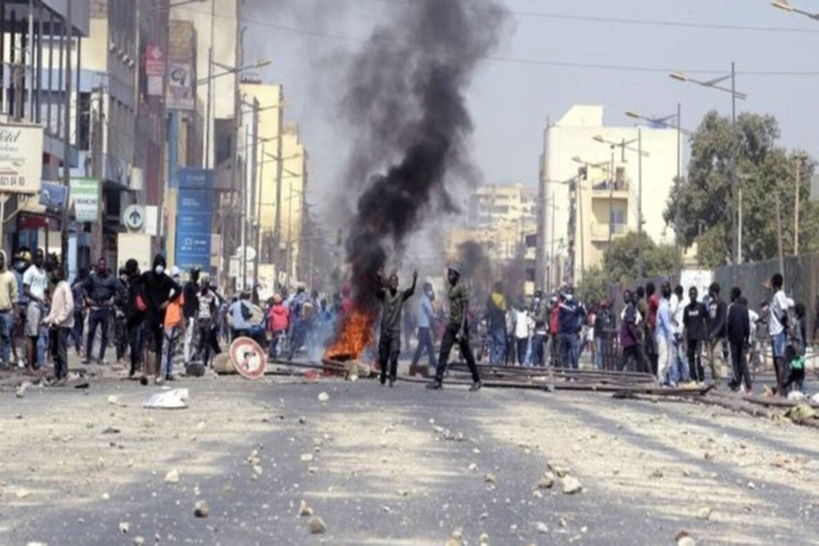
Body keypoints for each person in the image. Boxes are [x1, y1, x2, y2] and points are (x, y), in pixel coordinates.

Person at [427, 265, 482, 391]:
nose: (449, 276)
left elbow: (464, 309)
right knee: (443, 351)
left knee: (467, 354)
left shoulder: (462, 288)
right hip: (452, 324)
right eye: (449, 273)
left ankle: (477, 380)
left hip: (460, 325)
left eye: (452, 274)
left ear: (457, 275)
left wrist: (462, 329)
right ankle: (438, 380)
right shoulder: (451, 288)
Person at [135, 254, 181, 385]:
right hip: (149, 312)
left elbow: (178, 290)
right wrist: (140, 297)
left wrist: (169, 301)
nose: (159, 267)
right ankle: (144, 372)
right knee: (146, 342)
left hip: (161, 313)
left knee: (159, 343)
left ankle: (157, 374)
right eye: (158, 264)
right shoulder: (148, 276)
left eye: (162, 264)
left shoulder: (166, 280)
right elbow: (136, 284)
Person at [375, 270, 417, 387]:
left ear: (397, 283)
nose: (393, 283)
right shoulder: (385, 294)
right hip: (385, 330)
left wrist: (414, 279)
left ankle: (392, 376)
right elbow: (377, 291)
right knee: (383, 357)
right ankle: (383, 372)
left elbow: (411, 291)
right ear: (389, 283)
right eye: (392, 281)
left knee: (394, 354)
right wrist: (378, 279)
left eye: (395, 281)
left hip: (395, 331)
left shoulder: (401, 295)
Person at [42, 263, 73, 385]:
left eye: (54, 273)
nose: (52, 275)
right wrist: (46, 320)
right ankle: (57, 375)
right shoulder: (58, 288)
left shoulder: (65, 287)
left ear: (60, 274)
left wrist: (59, 320)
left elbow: (69, 307)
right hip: (55, 324)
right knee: (54, 351)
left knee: (61, 351)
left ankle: (63, 375)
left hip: (62, 325)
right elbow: (54, 310)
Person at [83, 257, 118, 365]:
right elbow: (84, 287)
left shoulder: (111, 279)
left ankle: (101, 357)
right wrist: (86, 298)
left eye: (103, 265)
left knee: (104, 334)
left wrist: (113, 300)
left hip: (105, 308)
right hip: (94, 307)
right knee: (91, 333)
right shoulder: (92, 277)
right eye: (100, 265)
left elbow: (119, 290)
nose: (102, 266)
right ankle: (88, 356)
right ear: (97, 266)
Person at [23, 249, 48, 375]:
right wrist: (37, 298)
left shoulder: (43, 272)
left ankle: (36, 363)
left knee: (37, 336)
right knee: (30, 336)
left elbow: (44, 289)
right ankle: (30, 366)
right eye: (37, 257)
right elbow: (26, 290)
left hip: (41, 307)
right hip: (33, 305)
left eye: (41, 257)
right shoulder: (30, 271)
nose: (40, 259)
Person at [160, 267, 185, 382]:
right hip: (170, 322)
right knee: (168, 350)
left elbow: (180, 308)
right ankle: (165, 372)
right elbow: (179, 308)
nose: (177, 278)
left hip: (172, 322)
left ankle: (167, 373)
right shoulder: (173, 290)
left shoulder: (173, 290)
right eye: (176, 276)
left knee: (169, 350)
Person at [726, 287, 752, 394]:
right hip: (742, 338)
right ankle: (748, 384)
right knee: (743, 361)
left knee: (735, 362)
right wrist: (746, 339)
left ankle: (737, 382)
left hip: (733, 338)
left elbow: (729, 323)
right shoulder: (744, 308)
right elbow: (747, 325)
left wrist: (727, 336)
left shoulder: (732, 308)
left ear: (733, 295)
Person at [683, 286, 710, 384]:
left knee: (699, 358)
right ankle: (693, 378)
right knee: (690, 359)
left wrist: (707, 336)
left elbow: (707, 320)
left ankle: (701, 378)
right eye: (691, 294)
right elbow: (685, 325)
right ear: (689, 295)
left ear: (697, 295)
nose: (692, 296)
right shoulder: (686, 309)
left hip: (699, 337)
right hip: (690, 337)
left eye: (694, 294)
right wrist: (684, 339)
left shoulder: (701, 306)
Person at [767, 273, 789, 395]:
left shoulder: (780, 294)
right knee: (776, 361)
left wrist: (789, 325)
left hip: (779, 331)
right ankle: (780, 386)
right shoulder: (775, 295)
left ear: (774, 283)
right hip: (774, 331)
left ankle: (781, 388)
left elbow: (785, 310)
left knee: (780, 361)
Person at [411, 282, 437, 372]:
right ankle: (413, 364)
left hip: (425, 326)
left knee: (430, 347)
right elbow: (429, 312)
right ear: (426, 290)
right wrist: (435, 317)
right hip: (423, 327)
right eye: (429, 289)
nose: (431, 291)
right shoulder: (425, 299)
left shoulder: (424, 298)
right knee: (421, 347)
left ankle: (434, 364)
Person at [195, 273, 219, 367]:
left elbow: (214, 309)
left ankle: (205, 361)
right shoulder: (197, 295)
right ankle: (199, 359)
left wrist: (213, 322)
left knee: (207, 341)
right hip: (201, 319)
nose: (204, 287)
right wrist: (196, 320)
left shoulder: (212, 296)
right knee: (201, 340)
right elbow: (196, 309)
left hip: (208, 320)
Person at [0, 251, 18, 368]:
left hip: (6, 312)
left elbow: (14, 295)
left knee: (6, 337)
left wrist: (16, 313)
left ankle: (5, 360)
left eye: (1, 259)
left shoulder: (10, 276)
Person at [706, 282, 728, 381]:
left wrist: (715, 333)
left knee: (716, 357)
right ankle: (714, 378)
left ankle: (717, 381)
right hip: (709, 336)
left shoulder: (722, 304)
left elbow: (722, 320)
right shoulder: (710, 304)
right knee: (710, 360)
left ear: (713, 291)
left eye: (709, 290)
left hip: (718, 336)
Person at [669, 285, 690, 386]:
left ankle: (685, 376)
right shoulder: (674, 304)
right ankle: (677, 376)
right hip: (674, 331)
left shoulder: (686, 303)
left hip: (681, 331)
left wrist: (684, 333)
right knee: (675, 356)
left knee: (682, 356)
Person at [558, 289, 584, 369]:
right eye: (567, 294)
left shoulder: (577, 304)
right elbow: (560, 318)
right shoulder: (563, 304)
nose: (569, 295)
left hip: (573, 333)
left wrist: (579, 325)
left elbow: (584, 315)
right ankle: (567, 374)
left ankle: (575, 372)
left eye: (570, 294)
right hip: (564, 333)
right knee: (564, 354)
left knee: (574, 354)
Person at [655, 282, 676, 386]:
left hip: (666, 335)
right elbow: (666, 323)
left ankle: (666, 377)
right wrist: (672, 335)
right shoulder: (663, 306)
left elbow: (670, 319)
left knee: (669, 358)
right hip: (662, 335)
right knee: (663, 357)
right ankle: (660, 379)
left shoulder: (666, 305)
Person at [619, 290, 642, 372]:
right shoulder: (630, 308)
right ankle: (616, 374)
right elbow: (630, 325)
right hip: (629, 338)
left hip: (631, 339)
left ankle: (641, 376)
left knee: (639, 358)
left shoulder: (633, 308)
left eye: (637, 298)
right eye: (634, 297)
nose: (636, 299)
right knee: (626, 358)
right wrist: (636, 338)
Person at [485, 281, 507, 366]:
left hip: (491, 324)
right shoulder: (502, 298)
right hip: (500, 324)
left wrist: (487, 324)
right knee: (502, 345)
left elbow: (487, 312)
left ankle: (492, 362)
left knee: (492, 345)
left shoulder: (490, 297)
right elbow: (504, 311)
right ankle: (497, 361)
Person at [182, 267, 200, 365]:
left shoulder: (197, 286)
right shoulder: (188, 286)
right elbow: (184, 301)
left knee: (194, 338)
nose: (197, 275)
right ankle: (186, 359)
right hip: (189, 315)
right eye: (195, 273)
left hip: (195, 315)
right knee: (188, 338)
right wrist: (185, 316)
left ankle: (191, 357)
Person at [70, 268, 87, 357]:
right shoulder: (83, 286)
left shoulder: (74, 286)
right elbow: (85, 298)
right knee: (79, 329)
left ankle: (78, 346)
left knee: (76, 329)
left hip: (75, 309)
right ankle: (79, 346)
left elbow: (71, 297)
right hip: (81, 309)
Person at [268, 293, 289, 359]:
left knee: (273, 342)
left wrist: (269, 328)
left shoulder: (272, 309)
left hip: (275, 327)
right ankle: (277, 353)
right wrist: (287, 327)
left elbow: (270, 319)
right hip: (283, 327)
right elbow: (288, 317)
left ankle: (273, 355)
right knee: (279, 341)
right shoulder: (285, 309)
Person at [593, 301, 613, 369]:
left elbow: (610, 324)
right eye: (603, 307)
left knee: (605, 351)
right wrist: (595, 336)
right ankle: (600, 365)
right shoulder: (599, 315)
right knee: (599, 350)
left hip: (606, 335)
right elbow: (596, 326)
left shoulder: (608, 314)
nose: (604, 308)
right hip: (599, 335)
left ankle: (604, 364)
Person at [513, 301, 532, 367]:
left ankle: (521, 362)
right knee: (521, 350)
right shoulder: (525, 314)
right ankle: (522, 362)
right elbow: (529, 324)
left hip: (521, 334)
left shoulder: (519, 314)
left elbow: (528, 324)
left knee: (521, 350)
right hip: (522, 334)